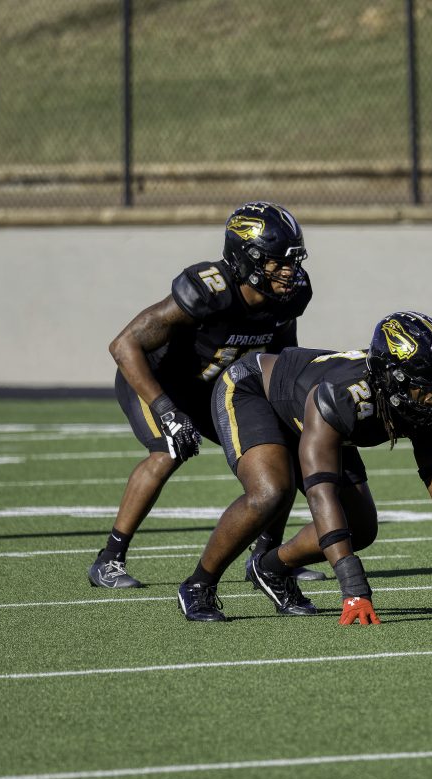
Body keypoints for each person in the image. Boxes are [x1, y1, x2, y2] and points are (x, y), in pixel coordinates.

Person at [175, 311, 432, 625]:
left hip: (315, 418)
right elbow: (322, 494)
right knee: (270, 492)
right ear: (390, 378)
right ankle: (198, 584)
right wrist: (353, 587)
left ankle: (270, 568)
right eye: (422, 389)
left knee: (360, 528)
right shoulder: (345, 396)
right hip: (253, 391)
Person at [89, 201, 319, 589]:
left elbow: (281, 354)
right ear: (248, 259)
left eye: (292, 261)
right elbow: (124, 344)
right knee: (169, 449)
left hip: (211, 387)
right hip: (156, 381)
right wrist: (166, 409)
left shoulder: (289, 296)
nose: (289, 271)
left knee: (282, 447)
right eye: (278, 262)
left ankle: (265, 559)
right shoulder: (208, 291)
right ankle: (109, 560)